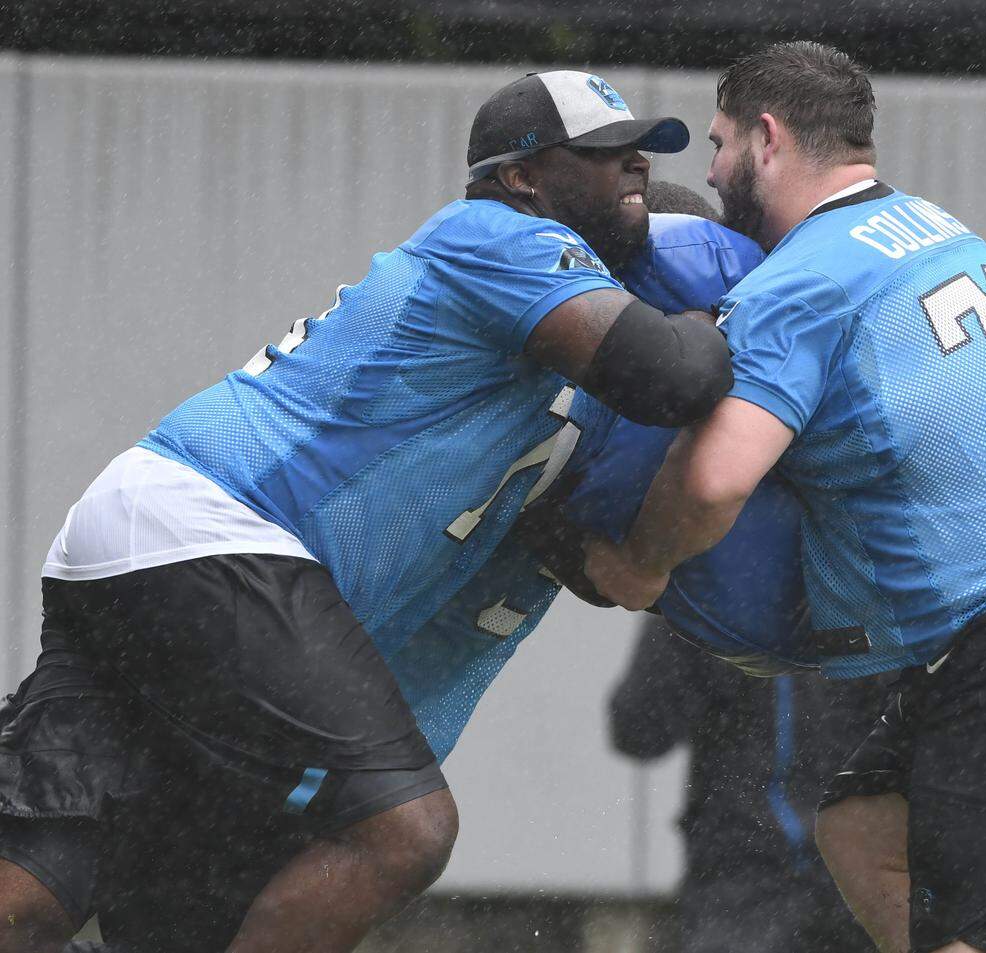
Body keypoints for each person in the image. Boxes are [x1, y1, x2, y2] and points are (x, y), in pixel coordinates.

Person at [0, 70, 734, 953]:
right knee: (406, 832)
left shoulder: (568, 395)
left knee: (45, 906)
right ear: (522, 176)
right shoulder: (495, 235)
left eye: (640, 158)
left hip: (170, 571)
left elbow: (615, 570)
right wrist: (744, 314)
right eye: (602, 151)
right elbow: (678, 373)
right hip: (210, 531)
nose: (633, 168)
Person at [584, 41, 986, 953]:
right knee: (861, 826)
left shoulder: (802, 277)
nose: (708, 171)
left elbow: (714, 479)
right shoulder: (932, 227)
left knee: (974, 919)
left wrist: (637, 564)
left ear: (768, 138)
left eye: (718, 141)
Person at [610, 617, 880, 953]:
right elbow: (639, 730)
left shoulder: (864, 592)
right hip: (751, 881)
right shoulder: (708, 595)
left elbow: (638, 730)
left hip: (840, 880)